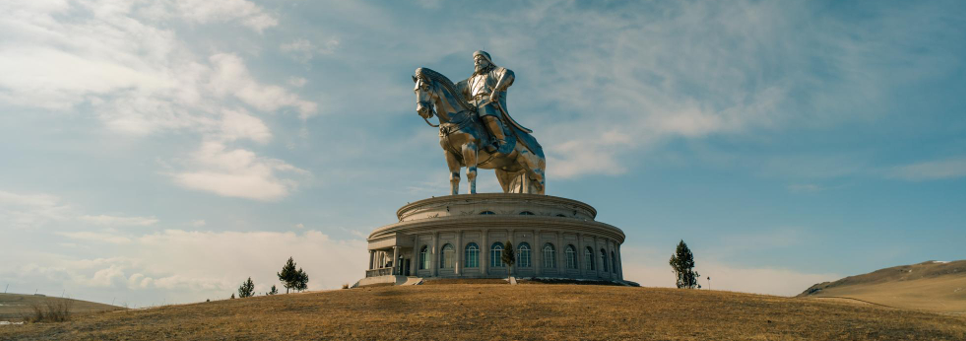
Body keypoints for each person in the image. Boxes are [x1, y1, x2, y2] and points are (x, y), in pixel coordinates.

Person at [457, 50, 517, 154]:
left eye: (480, 59)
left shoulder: (493, 72)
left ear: (488, 61)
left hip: (488, 101)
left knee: (485, 109)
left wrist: (497, 89)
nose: (477, 62)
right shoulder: (471, 80)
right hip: (473, 103)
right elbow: (456, 88)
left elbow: (508, 74)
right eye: (475, 60)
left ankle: (501, 141)